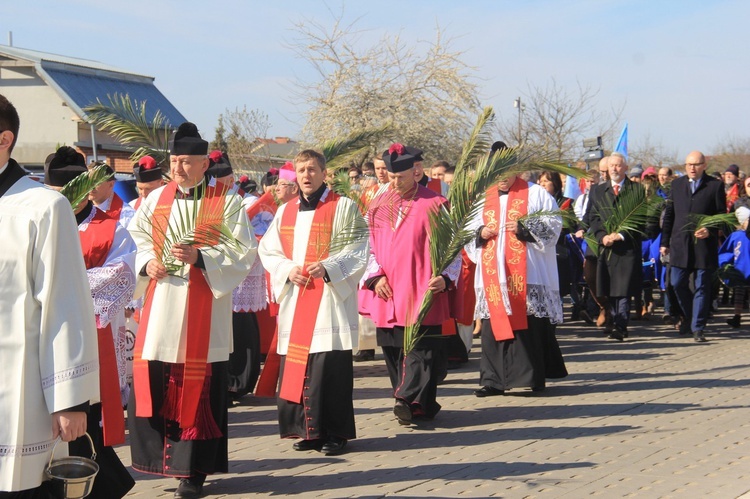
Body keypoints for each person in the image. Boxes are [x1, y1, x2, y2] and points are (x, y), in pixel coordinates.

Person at [127, 122, 256, 499]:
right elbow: (136, 238)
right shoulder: (155, 200)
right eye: (174, 161)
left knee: (197, 388)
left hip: (204, 312)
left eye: (186, 162)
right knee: (159, 377)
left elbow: (243, 254)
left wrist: (202, 257)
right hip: (163, 306)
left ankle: (192, 470)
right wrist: (148, 262)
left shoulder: (226, 202)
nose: (178, 168)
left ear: (204, 164)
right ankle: (159, 462)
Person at [0, 93, 100, 497]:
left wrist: (71, 400)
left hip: (16, 389)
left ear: (3, 139)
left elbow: (65, 306)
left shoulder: (43, 206)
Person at [258, 149, 367, 455]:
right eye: (301, 170)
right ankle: (308, 431)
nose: (306, 175)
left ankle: (335, 433)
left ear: (324, 172)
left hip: (329, 300)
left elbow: (359, 248)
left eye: (312, 169)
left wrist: (330, 267)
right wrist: (287, 270)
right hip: (298, 295)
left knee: (328, 368)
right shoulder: (286, 211)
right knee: (302, 366)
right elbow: (269, 250)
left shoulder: (343, 207)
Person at [44, 146, 137, 499]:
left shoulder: (111, 228)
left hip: (92, 339)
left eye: (69, 191)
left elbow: (122, 274)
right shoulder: (39, 224)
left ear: (84, 189)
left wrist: (62, 285)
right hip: (43, 339)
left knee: (87, 423)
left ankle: (98, 483)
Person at [359, 143, 461, 424]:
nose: (394, 182)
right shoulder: (377, 205)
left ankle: (406, 398)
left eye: (399, 177)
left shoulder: (434, 203)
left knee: (421, 351)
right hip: (388, 290)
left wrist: (445, 276)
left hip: (421, 288)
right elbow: (365, 247)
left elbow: (453, 247)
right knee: (393, 349)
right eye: (390, 177)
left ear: (415, 173)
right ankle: (419, 405)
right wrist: (375, 276)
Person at [465, 170, 568, 396]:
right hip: (494, 276)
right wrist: (480, 232)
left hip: (528, 274)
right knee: (492, 326)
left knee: (529, 324)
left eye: (505, 173)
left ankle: (532, 376)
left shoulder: (535, 193)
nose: (501, 178)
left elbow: (553, 226)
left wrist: (524, 229)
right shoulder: (482, 198)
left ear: (515, 170)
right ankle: (493, 380)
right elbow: (467, 230)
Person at [206, 150, 264, 399]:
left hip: (240, 267)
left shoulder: (246, 202)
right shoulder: (205, 199)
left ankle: (240, 379)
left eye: (226, 179)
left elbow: (259, 234)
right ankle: (223, 378)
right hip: (213, 267)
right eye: (217, 181)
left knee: (240, 324)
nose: (223, 184)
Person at [660, 151, 726, 342]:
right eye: (689, 164)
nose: (692, 168)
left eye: (696, 164)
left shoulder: (714, 186)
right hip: (680, 244)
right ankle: (689, 316)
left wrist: (710, 229)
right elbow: (670, 215)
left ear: (704, 165)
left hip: (703, 246)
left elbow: (722, 216)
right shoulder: (677, 185)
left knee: (702, 287)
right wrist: (664, 242)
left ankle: (698, 327)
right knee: (676, 283)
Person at [588, 152, 646, 341]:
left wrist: (620, 235)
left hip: (626, 248)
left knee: (623, 290)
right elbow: (593, 217)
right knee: (610, 288)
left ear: (625, 168)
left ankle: (621, 325)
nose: (614, 168)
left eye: (618, 165)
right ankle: (614, 320)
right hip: (607, 247)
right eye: (611, 165)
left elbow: (640, 219)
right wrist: (602, 236)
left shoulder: (636, 190)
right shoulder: (598, 190)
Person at [719, 207, 750, 328]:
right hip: (741, 269)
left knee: (739, 293)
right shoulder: (737, 236)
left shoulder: (736, 236)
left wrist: (724, 262)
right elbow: (727, 251)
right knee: (740, 293)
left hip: (741, 268)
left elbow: (726, 252)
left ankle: (737, 317)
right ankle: (736, 317)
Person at [89, 162, 137, 228]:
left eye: (95, 182)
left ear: (111, 184)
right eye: (87, 182)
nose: (90, 186)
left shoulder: (127, 215)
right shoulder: (80, 212)